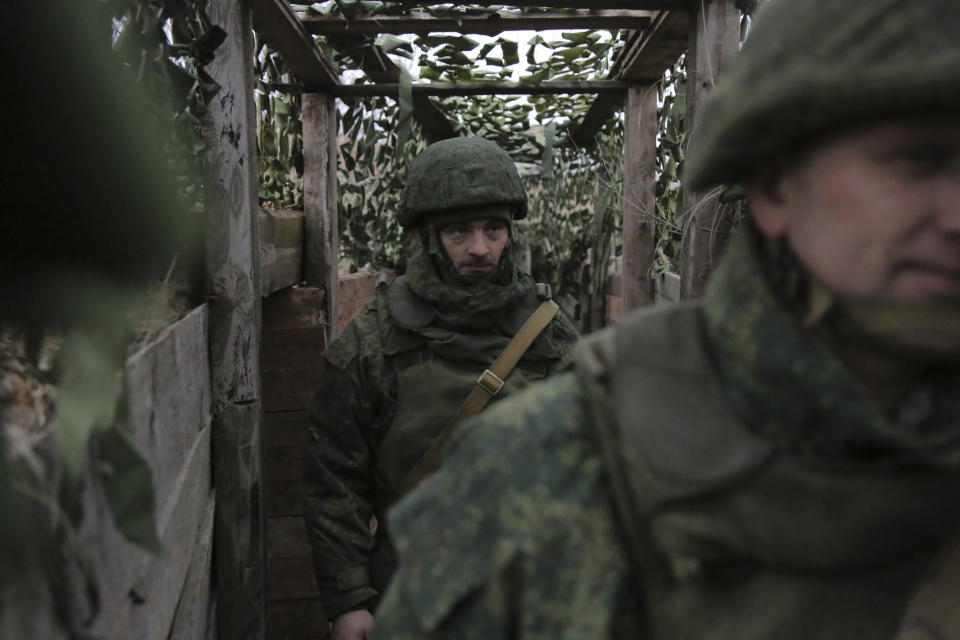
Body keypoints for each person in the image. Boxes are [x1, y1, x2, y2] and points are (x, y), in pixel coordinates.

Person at [374, 1, 960, 638]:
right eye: (915, 160)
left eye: (492, 229)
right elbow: (334, 468)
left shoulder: (540, 325)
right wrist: (349, 592)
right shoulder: (553, 471)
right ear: (774, 188)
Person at [303, 137, 579, 640]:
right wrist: (348, 600)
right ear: (430, 238)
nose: (479, 248)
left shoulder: (547, 336)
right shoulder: (373, 340)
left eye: (493, 229)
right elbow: (334, 480)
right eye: (459, 231)